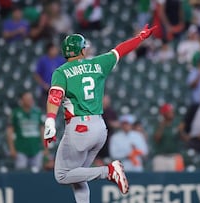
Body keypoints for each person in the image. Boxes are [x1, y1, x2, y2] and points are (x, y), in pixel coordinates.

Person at [43, 24, 156, 202]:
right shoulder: (97, 63)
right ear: (82, 49)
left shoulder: (62, 71)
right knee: (79, 176)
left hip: (79, 129)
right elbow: (121, 50)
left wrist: (50, 120)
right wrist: (140, 37)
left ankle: (108, 171)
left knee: (62, 175)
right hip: (100, 128)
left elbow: (55, 96)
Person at [6, 92, 45, 172]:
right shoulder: (15, 113)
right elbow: (9, 131)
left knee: (37, 173)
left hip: (36, 148)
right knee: (21, 173)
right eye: (27, 99)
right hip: (21, 148)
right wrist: (12, 148)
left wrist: (45, 147)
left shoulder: (37, 112)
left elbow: (42, 130)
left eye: (31, 99)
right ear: (22, 101)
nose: (30, 101)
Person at [152, 103, 184, 172]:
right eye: (169, 112)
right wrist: (162, 125)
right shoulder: (158, 125)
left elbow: (184, 139)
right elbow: (156, 139)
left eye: (172, 111)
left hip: (174, 157)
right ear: (164, 114)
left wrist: (181, 131)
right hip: (160, 157)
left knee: (175, 180)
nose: (172, 113)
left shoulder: (177, 124)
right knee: (158, 181)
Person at [34, 42, 65, 109]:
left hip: (58, 89)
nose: (55, 51)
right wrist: (43, 84)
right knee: (45, 108)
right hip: (46, 90)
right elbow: (36, 74)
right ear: (49, 50)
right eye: (53, 49)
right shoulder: (43, 60)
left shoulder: (61, 60)